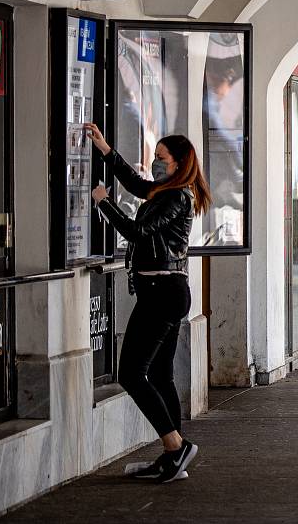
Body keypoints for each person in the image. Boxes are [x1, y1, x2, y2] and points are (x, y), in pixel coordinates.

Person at [85, 122, 212, 482]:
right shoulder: (167, 190)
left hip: (163, 295)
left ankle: (176, 448)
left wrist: (103, 203)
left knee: (131, 373)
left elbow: (137, 232)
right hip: (166, 293)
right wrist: (107, 151)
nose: (154, 163)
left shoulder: (176, 196)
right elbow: (138, 185)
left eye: (160, 158)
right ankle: (175, 453)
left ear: (178, 163)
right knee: (159, 373)